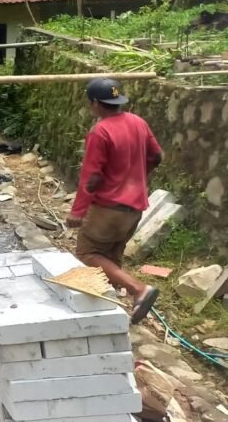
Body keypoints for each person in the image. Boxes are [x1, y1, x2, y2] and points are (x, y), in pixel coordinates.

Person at [66, 77, 163, 324]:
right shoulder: (138, 122)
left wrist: (78, 211)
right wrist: (137, 178)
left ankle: (138, 289)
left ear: (95, 103)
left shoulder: (101, 131)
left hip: (108, 208)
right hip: (135, 206)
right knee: (111, 255)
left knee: (88, 253)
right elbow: (156, 156)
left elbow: (92, 178)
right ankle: (109, 308)